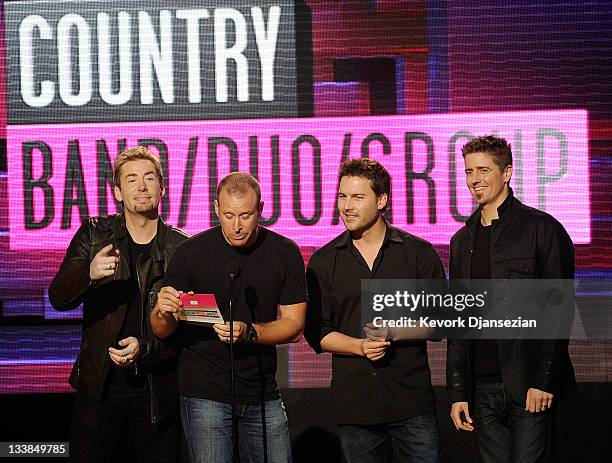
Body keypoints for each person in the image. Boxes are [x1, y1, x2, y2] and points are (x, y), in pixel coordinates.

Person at [150, 172, 307, 463]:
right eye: (229, 215)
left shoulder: (285, 253)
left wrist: (249, 332)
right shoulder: (190, 253)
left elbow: (295, 326)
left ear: (261, 209)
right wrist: (162, 311)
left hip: (262, 393)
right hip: (204, 392)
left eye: (246, 215)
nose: (236, 226)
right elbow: (161, 330)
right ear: (216, 209)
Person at [49, 146, 188, 462]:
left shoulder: (182, 247)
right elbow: (58, 297)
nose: (141, 187)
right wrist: (89, 274)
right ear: (118, 191)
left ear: (162, 187)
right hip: (99, 389)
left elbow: (190, 328)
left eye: (149, 178)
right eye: (132, 180)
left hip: (157, 394)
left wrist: (146, 347)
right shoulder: (95, 234)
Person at [446, 135, 577, 463]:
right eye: (468, 171)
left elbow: (558, 311)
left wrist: (544, 380)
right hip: (483, 389)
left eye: (484, 170)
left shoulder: (541, 228)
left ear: (507, 173)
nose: (475, 179)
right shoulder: (461, 241)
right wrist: (459, 391)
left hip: (528, 386)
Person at [305, 159, 445, 463]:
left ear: (382, 200)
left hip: (411, 403)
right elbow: (317, 331)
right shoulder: (324, 261)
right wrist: (359, 347)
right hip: (355, 407)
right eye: (342, 196)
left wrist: (392, 331)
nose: (347, 206)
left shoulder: (417, 253)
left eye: (357, 197)